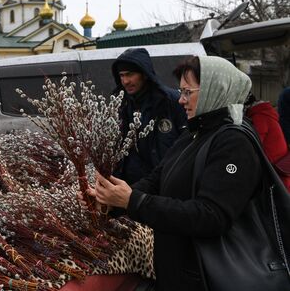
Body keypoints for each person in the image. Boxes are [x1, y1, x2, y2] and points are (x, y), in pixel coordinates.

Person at [89, 56, 263, 291]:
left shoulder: (233, 143)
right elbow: (157, 179)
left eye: (188, 92)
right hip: (179, 270)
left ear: (216, 89)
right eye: (181, 92)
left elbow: (211, 216)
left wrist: (134, 201)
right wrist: (111, 199)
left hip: (208, 277)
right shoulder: (195, 133)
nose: (181, 100)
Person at [110, 48, 187, 184]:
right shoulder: (119, 105)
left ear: (145, 74)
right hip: (126, 189)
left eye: (130, 74)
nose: (125, 81)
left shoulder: (172, 102)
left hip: (164, 185)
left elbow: (186, 146)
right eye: (121, 75)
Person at [244, 93, 288, 163]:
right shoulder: (265, 112)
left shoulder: (259, 117)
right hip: (281, 157)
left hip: (274, 163)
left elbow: (254, 144)